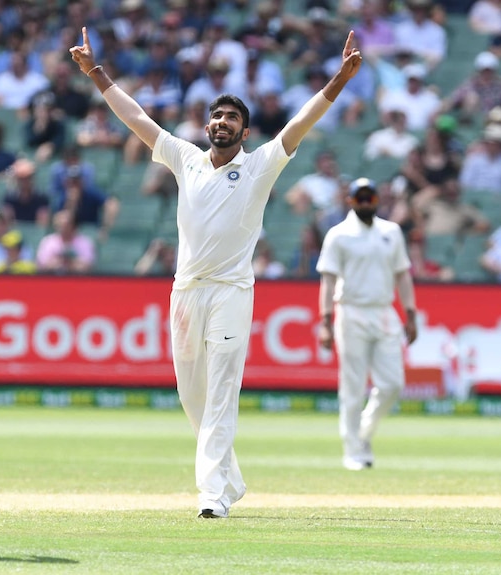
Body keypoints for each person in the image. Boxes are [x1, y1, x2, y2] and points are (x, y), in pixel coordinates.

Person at [70, 25, 362, 518]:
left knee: (223, 391)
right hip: (185, 292)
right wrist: (96, 73)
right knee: (194, 399)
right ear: (207, 127)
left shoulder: (261, 165)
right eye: (216, 116)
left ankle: (212, 497)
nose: (221, 121)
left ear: (245, 132)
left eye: (231, 117)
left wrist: (338, 80)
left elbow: (301, 122)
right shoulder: (184, 158)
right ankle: (232, 479)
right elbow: (136, 118)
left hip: (231, 291)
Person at [316, 177, 418, 471]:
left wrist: (410, 314)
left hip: (385, 311)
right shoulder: (338, 234)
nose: (364, 202)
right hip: (351, 312)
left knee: (392, 384)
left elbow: (403, 275)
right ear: (350, 201)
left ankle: (363, 434)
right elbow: (328, 279)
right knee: (352, 386)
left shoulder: (392, 232)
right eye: (359, 198)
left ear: (377, 200)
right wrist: (325, 321)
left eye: (369, 198)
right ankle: (352, 451)